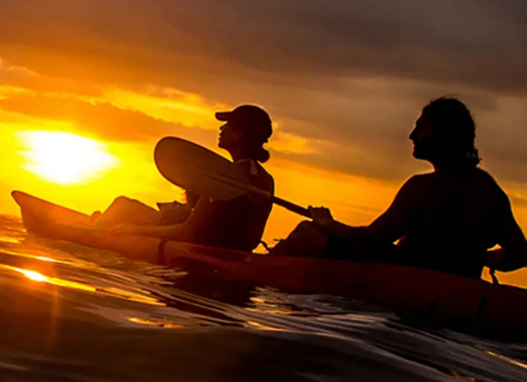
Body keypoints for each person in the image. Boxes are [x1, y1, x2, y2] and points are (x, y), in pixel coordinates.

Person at [279, 97, 527, 278]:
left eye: (421, 127)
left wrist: (327, 223)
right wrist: (477, 257)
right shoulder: (490, 192)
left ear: (443, 135)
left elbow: (372, 240)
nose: (411, 135)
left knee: (307, 231)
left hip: (406, 277)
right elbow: (518, 255)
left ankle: (247, 273)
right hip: (460, 283)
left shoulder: (423, 188)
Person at [107, 104, 275, 252]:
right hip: (231, 251)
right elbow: (251, 239)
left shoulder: (224, 177)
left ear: (238, 134)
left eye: (227, 125)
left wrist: (135, 230)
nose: (221, 129)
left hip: (205, 251)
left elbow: (188, 232)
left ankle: (90, 231)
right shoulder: (267, 180)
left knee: (122, 205)